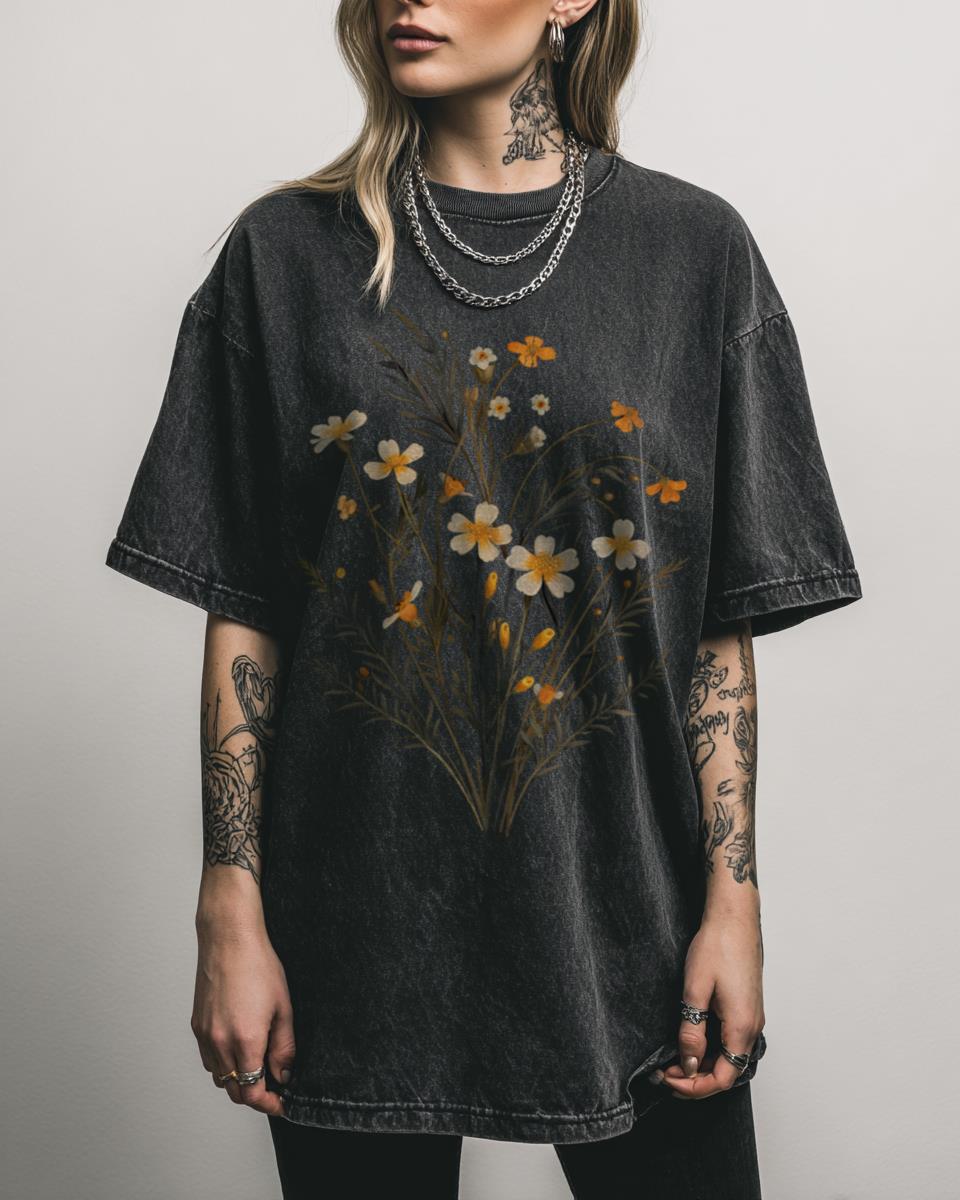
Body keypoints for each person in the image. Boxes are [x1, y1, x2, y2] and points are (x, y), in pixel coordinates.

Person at [104, 1, 863, 1196]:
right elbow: (244, 607)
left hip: (631, 918)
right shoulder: (284, 256)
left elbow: (716, 631)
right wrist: (229, 905)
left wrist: (735, 901)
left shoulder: (694, 253)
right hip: (351, 925)